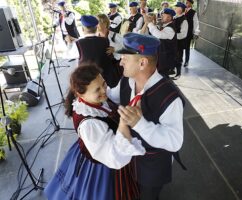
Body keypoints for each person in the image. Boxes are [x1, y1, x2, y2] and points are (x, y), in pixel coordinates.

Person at [44, 64, 145, 200]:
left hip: (96, 147)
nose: (104, 90)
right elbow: (113, 157)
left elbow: (111, 96)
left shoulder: (92, 100)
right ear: (80, 94)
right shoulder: (89, 124)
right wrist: (123, 122)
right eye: (97, 89)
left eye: (103, 84)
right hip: (103, 163)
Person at [108, 33, 185, 200]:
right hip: (132, 159)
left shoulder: (169, 97)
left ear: (142, 63)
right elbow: (111, 95)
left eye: (125, 58)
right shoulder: (126, 81)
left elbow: (175, 141)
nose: (120, 62)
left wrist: (140, 124)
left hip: (153, 165)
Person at [75, 15, 119, 87]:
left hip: (89, 84)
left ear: (83, 29)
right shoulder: (105, 41)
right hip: (107, 82)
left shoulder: (78, 44)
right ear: (96, 28)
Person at [146, 8, 177, 77]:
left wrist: (149, 23)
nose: (161, 17)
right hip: (162, 58)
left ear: (169, 17)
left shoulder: (170, 29)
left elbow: (158, 35)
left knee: (164, 78)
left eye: (163, 16)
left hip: (166, 60)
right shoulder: (165, 26)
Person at [173, 2, 188, 79]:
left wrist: (173, 36)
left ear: (180, 9)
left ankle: (178, 73)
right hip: (173, 42)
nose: (175, 8)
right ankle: (172, 70)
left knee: (178, 58)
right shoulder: (174, 17)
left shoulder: (184, 20)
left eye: (177, 7)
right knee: (172, 56)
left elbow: (183, 34)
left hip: (179, 42)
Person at [184, 0, 200, 67]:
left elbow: (196, 23)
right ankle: (178, 60)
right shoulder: (182, 10)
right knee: (179, 47)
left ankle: (186, 61)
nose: (186, 3)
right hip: (180, 32)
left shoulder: (194, 12)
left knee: (187, 48)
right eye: (186, 2)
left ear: (191, 4)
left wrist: (196, 32)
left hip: (188, 32)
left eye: (187, 2)